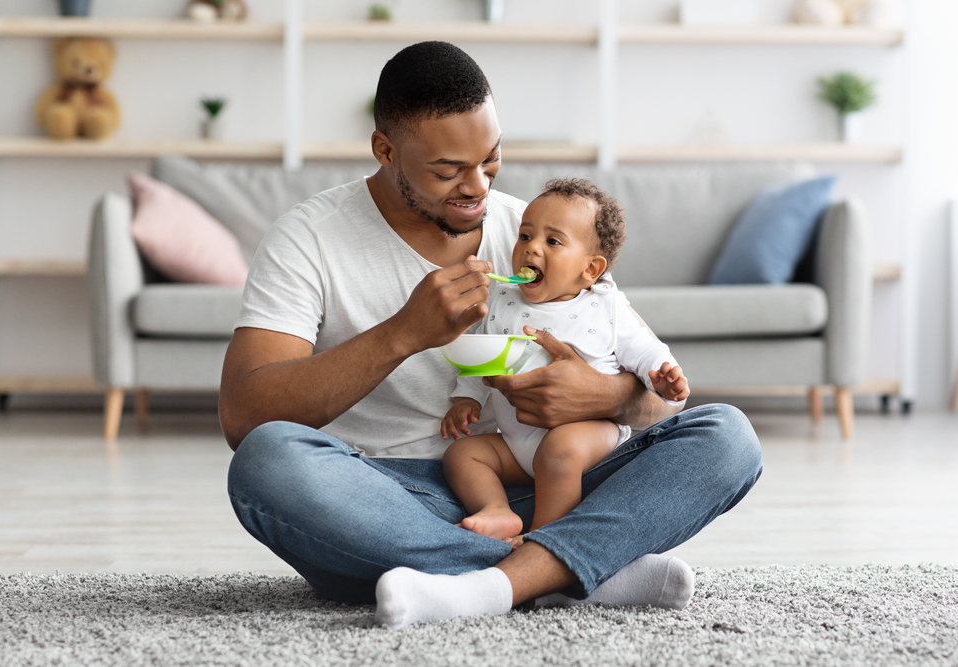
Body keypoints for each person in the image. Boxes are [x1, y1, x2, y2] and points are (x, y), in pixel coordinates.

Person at [220, 40, 763, 631]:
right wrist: (403, 334)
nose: (477, 187)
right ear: (385, 150)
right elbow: (246, 417)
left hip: (546, 486)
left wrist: (601, 396)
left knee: (728, 435)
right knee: (267, 464)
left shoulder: (537, 230)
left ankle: (489, 579)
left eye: (491, 159)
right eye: (448, 170)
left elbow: (659, 392)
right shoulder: (308, 239)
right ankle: (571, 570)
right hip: (386, 501)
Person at [442, 178, 690, 548]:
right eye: (525, 236)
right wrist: (467, 400)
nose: (532, 249)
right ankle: (497, 509)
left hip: (588, 438)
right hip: (517, 446)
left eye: (552, 242)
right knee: (463, 454)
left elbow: (644, 350)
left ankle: (544, 543)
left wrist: (663, 375)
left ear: (590, 269)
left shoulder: (605, 306)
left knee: (560, 451)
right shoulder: (503, 299)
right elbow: (485, 355)